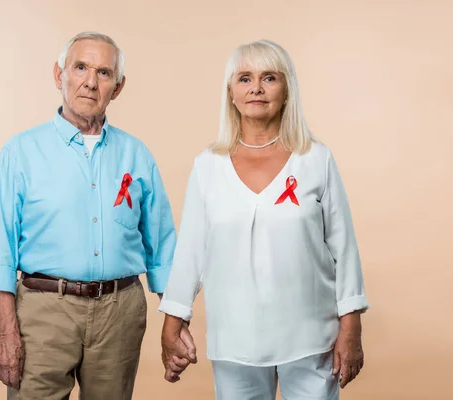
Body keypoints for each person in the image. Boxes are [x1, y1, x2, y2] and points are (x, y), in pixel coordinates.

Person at [0, 31, 189, 400]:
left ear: (117, 87)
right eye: (80, 68)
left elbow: (163, 248)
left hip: (119, 313)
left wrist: (176, 324)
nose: (91, 82)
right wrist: (6, 332)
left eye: (104, 73)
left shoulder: (137, 155)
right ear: (59, 76)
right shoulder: (21, 152)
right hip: (43, 310)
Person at [158, 39, 370, 399]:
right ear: (231, 92)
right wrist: (173, 321)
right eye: (244, 78)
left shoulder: (315, 160)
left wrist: (351, 326)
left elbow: (344, 248)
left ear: (287, 89)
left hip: (311, 337)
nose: (256, 87)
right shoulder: (208, 166)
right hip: (235, 340)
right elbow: (191, 251)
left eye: (269, 77)